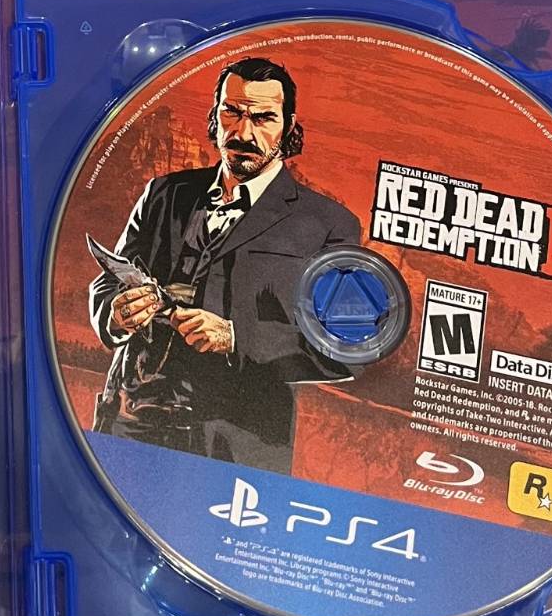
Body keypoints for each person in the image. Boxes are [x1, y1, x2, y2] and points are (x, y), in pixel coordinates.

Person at [89, 56, 359, 475]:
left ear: (288, 127)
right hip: (129, 421)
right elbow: (107, 282)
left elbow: (346, 348)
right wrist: (115, 313)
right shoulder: (163, 193)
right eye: (231, 112)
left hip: (237, 445)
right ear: (214, 116)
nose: (244, 132)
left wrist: (235, 337)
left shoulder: (329, 224)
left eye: (264, 118)